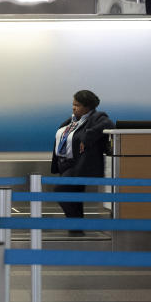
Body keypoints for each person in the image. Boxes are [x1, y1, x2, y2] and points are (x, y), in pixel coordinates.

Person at [50, 89, 113, 225]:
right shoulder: (72, 120)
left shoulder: (97, 117)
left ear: (87, 107)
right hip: (64, 164)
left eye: (77, 105)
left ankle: (76, 225)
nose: (73, 107)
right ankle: (76, 228)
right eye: (73, 104)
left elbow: (108, 124)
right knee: (74, 198)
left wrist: (87, 136)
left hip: (79, 165)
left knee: (59, 191)